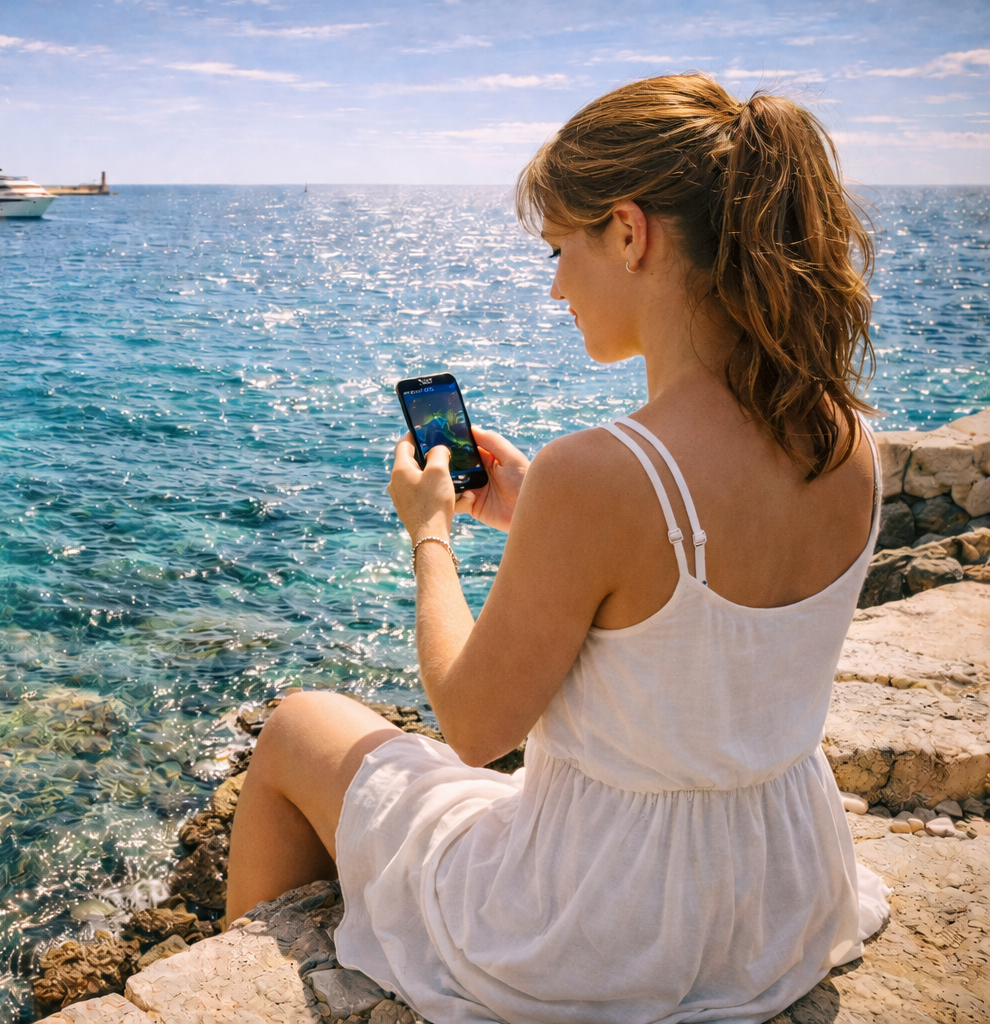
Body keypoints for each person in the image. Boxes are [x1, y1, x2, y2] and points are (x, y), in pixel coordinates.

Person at [226, 73, 891, 1024]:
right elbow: (694, 632)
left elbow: (472, 724)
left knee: (296, 724)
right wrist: (533, 511)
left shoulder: (606, 474)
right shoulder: (845, 436)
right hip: (776, 897)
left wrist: (433, 533)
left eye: (559, 248)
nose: (554, 287)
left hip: (605, 925)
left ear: (629, 233)